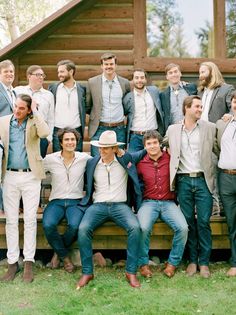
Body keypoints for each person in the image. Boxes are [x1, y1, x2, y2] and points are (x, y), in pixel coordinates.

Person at [76, 130, 144, 289]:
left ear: (114, 148)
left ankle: (131, 272)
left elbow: (144, 151)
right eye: (100, 148)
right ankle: (87, 272)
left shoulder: (125, 159)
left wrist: (163, 143)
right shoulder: (92, 163)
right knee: (83, 229)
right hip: (98, 205)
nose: (102, 151)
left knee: (135, 228)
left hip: (120, 206)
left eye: (106, 148)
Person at [164, 95, 217, 278]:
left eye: (201, 106)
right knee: (188, 223)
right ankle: (192, 261)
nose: (200, 109)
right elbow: (162, 145)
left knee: (203, 222)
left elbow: (218, 148)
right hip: (183, 181)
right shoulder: (172, 130)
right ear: (186, 108)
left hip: (203, 180)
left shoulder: (210, 128)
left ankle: (204, 263)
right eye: (196, 106)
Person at [0, 94, 50, 283]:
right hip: (10, 176)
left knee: (30, 220)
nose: (17, 110)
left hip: (31, 176)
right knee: (11, 221)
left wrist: (36, 112)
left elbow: (45, 133)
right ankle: (13, 263)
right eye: (15, 106)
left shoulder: (34, 122)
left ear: (29, 109)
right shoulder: (3, 122)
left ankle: (29, 261)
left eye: (22, 108)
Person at [136, 130, 188, 278]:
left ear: (160, 144)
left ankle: (172, 263)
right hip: (149, 203)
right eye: (148, 144)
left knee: (183, 228)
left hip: (168, 202)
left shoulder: (171, 159)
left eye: (154, 143)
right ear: (145, 146)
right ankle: (143, 264)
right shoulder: (141, 163)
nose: (152, 146)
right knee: (143, 227)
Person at [42, 128, 91, 272]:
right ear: (61, 143)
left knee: (75, 226)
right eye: (67, 140)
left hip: (75, 201)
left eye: (73, 139)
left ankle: (58, 255)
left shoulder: (84, 158)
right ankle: (66, 258)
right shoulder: (51, 159)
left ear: (77, 141)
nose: (70, 142)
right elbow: (37, 169)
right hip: (56, 201)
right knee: (48, 225)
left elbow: (101, 162)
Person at [198, 61, 235, 215]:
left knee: (217, 169)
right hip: (201, 136)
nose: (200, 76)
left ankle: (221, 208)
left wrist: (231, 115)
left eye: (203, 72)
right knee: (206, 171)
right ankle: (212, 206)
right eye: (199, 72)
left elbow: (233, 107)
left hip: (218, 136)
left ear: (212, 72)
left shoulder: (226, 89)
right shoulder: (200, 91)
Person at [86, 52, 130, 156]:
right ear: (102, 66)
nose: (109, 66)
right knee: (97, 159)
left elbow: (127, 105)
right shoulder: (92, 82)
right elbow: (88, 105)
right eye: (106, 64)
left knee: (118, 159)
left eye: (111, 64)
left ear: (116, 65)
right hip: (99, 127)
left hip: (118, 128)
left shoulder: (124, 83)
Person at [14, 65, 54, 158]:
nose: (41, 77)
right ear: (29, 76)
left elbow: (51, 118)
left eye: (42, 75)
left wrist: (48, 138)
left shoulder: (49, 95)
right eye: (37, 75)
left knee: (38, 165)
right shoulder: (18, 90)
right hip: (21, 135)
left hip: (40, 136)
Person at [216, 92, 236, 277]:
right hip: (226, 178)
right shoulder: (224, 123)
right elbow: (216, 145)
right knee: (232, 221)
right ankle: (235, 262)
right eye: (235, 101)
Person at [123, 69, 165, 152]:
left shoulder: (154, 91)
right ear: (133, 80)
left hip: (153, 135)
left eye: (142, 77)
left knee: (153, 162)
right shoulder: (128, 97)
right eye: (137, 78)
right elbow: (124, 113)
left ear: (145, 79)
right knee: (133, 162)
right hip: (135, 137)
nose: (139, 80)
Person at [49, 60, 86, 152]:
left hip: (76, 131)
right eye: (58, 72)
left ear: (71, 72)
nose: (59, 74)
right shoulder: (53, 88)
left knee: (77, 161)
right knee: (58, 161)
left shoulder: (82, 89)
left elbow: (87, 107)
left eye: (62, 71)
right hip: (58, 130)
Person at [160, 63, 197, 129]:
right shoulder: (164, 95)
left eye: (175, 72)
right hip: (173, 128)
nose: (173, 74)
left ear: (180, 73)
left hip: (191, 127)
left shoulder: (191, 88)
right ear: (167, 77)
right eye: (170, 73)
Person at [0, 59, 16, 212]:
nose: (9, 74)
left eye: (11, 71)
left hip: (10, 139)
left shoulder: (14, 92)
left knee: (6, 173)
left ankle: (7, 206)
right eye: (6, 72)